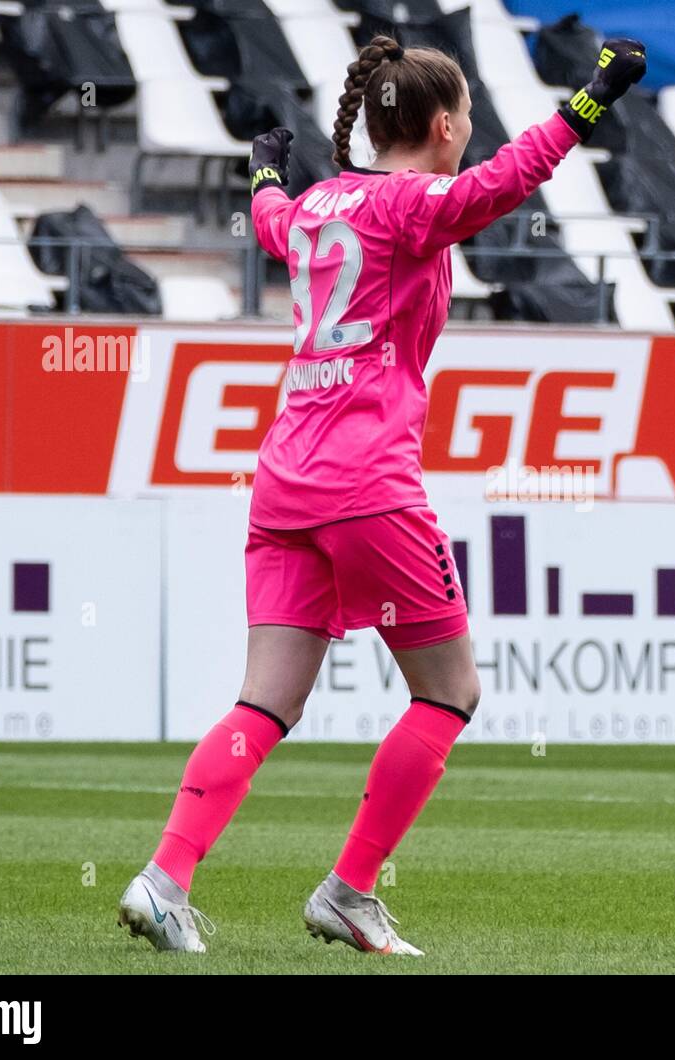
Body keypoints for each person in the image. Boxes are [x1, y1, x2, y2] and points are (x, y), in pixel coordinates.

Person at [119, 32, 647, 956]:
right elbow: (506, 181)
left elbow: (277, 218)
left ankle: (166, 879)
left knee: (263, 704)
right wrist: (595, 95)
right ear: (442, 126)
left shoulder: (321, 203)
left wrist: (260, 175)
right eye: (467, 123)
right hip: (369, 484)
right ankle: (350, 890)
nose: (470, 139)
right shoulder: (411, 206)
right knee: (449, 691)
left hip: (284, 483)